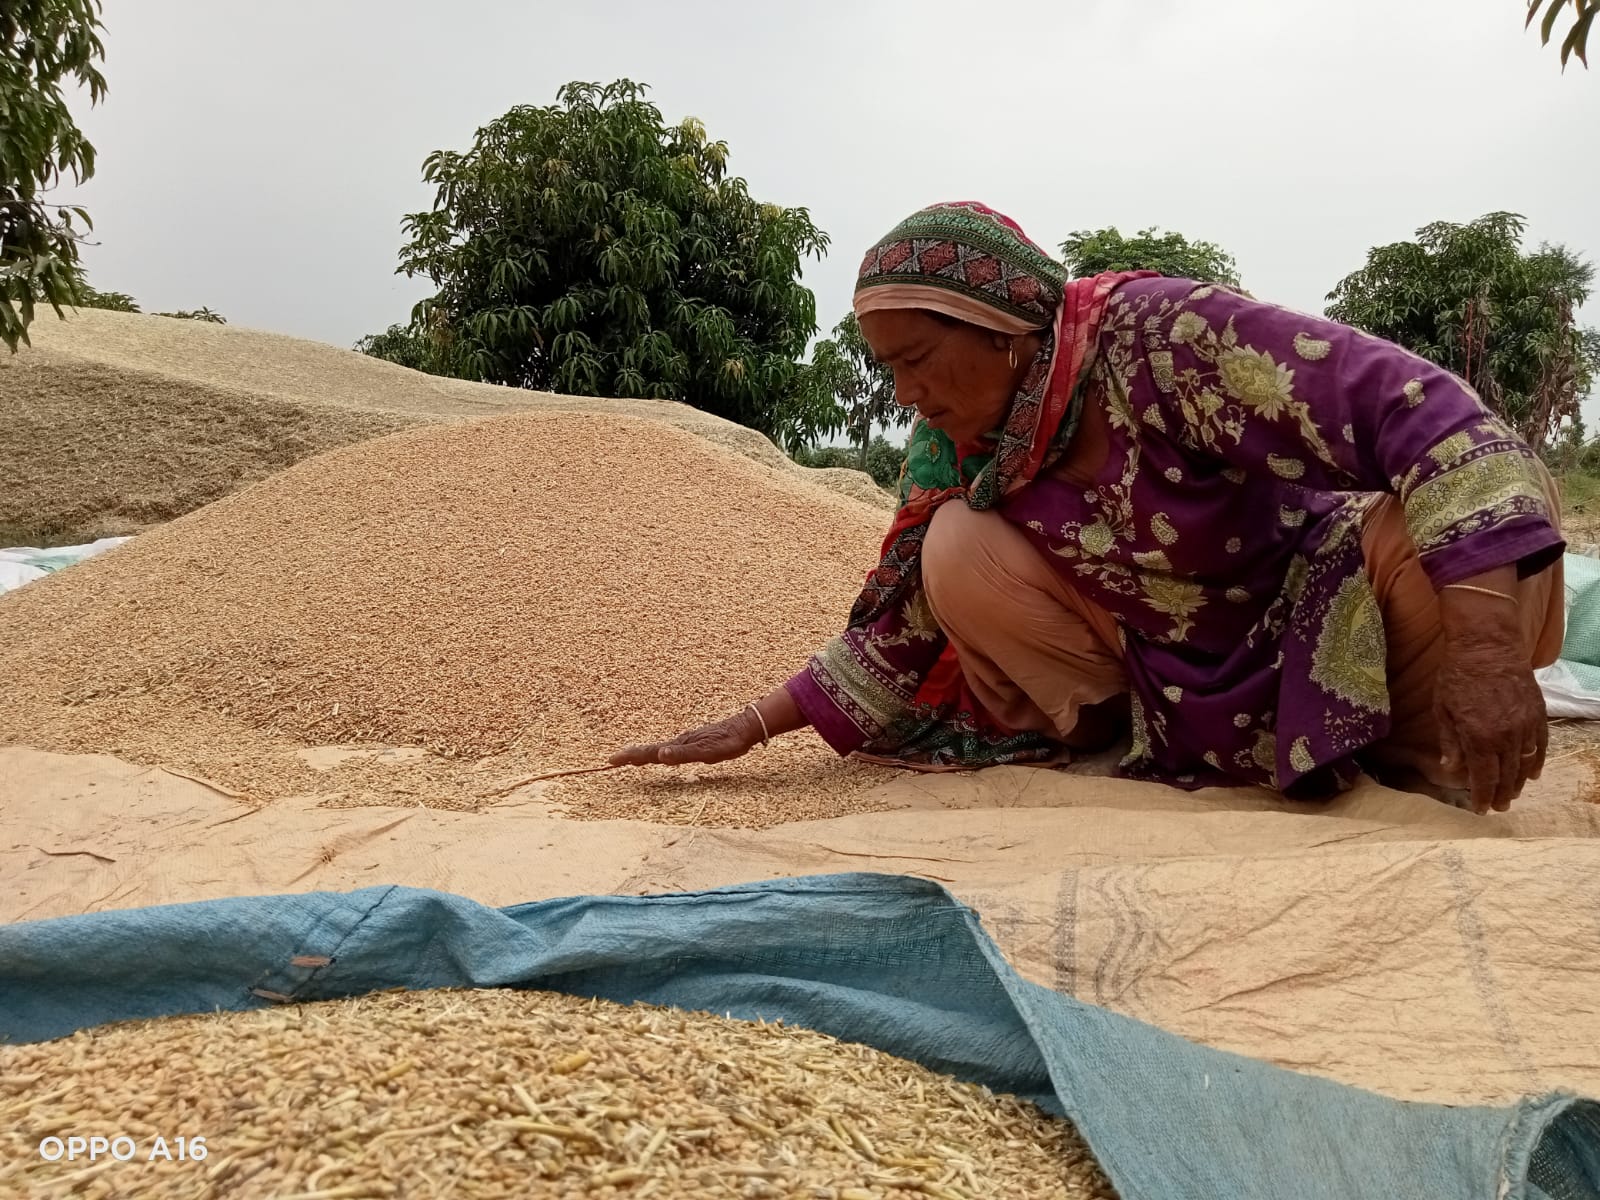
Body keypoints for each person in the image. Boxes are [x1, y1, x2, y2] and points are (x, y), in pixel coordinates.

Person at [612, 201, 1565, 815]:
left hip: (1323, 596)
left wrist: (1486, 651)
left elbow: (1427, 414)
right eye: (888, 368)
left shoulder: (1163, 337)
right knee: (954, 547)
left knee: (1467, 517)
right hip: (1181, 684)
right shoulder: (957, 442)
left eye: (915, 362)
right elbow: (900, 617)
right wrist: (756, 723)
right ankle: (1122, 753)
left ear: (1005, 334)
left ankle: (1416, 758)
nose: (905, 395)